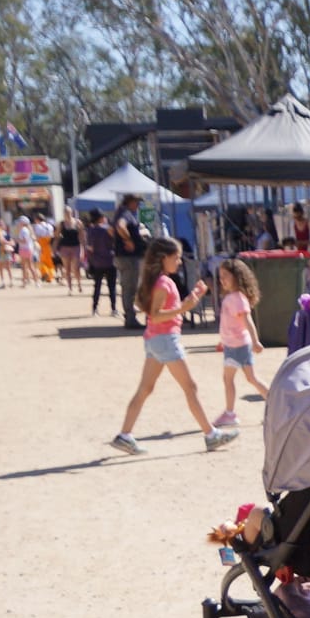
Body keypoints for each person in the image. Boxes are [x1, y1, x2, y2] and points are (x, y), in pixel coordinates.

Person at [109, 237, 237, 455]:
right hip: (165, 339)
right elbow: (156, 315)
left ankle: (125, 435)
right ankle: (210, 434)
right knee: (190, 387)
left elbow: (160, 312)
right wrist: (185, 306)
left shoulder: (159, 281)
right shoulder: (163, 283)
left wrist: (191, 299)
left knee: (146, 389)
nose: (179, 262)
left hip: (156, 340)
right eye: (176, 258)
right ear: (163, 258)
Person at [212, 258, 268, 427]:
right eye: (220, 276)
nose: (222, 280)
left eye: (225, 276)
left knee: (248, 378)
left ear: (237, 277)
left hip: (239, 346)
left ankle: (231, 413)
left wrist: (255, 340)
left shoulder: (237, 298)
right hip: (232, 345)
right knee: (239, 378)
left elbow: (247, 320)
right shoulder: (233, 297)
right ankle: (230, 413)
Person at [112, 195, 147, 329]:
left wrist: (118, 242)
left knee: (128, 287)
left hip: (123, 256)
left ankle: (130, 317)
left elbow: (111, 230)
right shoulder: (125, 214)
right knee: (130, 288)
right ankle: (130, 319)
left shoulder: (120, 212)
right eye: (137, 202)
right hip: (128, 257)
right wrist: (128, 240)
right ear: (131, 202)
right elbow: (120, 226)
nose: (138, 205)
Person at [83, 210, 118, 315]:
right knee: (112, 286)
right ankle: (113, 308)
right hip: (110, 260)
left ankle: (94, 308)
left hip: (97, 262)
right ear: (101, 218)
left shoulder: (90, 230)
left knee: (97, 285)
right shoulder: (108, 229)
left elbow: (90, 247)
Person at [56, 207, 83, 292]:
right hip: (65, 247)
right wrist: (55, 247)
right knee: (67, 268)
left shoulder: (78, 222)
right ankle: (70, 287)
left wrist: (82, 248)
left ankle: (79, 284)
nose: (68, 214)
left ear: (72, 212)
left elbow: (81, 236)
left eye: (69, 212)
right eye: (66, 212)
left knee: (76, 267)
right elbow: (56, 235)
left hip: (76, 247)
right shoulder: (61, 224)